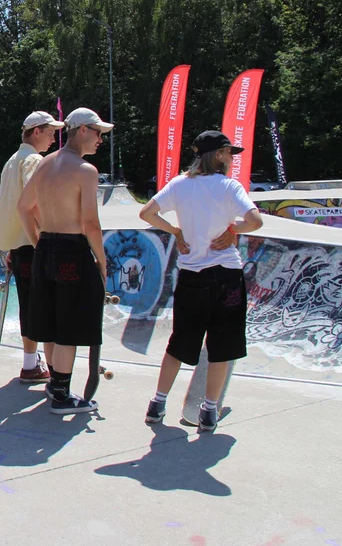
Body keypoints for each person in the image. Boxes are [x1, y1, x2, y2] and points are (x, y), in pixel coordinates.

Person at [138, 130, 263, 430]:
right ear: (218, 155)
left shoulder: (180, 185)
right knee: (222, 344)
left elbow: (147, 213)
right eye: (229, 153)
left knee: (179, 341)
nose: (232, 159)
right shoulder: (228, 186)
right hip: (226, 276)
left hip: (192, 276)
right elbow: (256, 221)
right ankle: (208, 410)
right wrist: (234, 230)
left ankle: (157, 403)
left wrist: (176, 232)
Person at [18, 107, 112, 414]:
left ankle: (56, 386)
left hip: (46, 248)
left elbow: (23, 207)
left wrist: (39, 243)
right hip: (73, 250)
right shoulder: (85, 171)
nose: (101, 140)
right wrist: (101, 260)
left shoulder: (45, 163)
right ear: (83, 130)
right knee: (70, 325)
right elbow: (91, 223)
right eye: (98, 133)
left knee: (53, 321)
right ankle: (60, 392)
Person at [0, 111, 63, 384]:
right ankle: (54, 371)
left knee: (29, 305)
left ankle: (30, 363)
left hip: (19, 245)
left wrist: (12, 245)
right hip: (35, 243)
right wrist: (46, 241)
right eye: (49, 133)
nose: (54, 139)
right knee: (46, 307)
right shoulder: (33, 160)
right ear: (35, 132)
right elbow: (35, 204)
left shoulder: (12, 160)